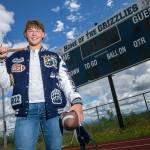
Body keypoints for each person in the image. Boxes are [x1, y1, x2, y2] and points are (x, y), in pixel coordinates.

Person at [0, 20, 84, 150]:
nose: (34, 34)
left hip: (52, 111)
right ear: (25, 34)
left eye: (37, 30)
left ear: (43, 34)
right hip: (25, 113)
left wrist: (76, 101)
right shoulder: (14, 58)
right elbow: (5, 83)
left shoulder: (54, 56)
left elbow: (65, 80)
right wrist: (1, 61)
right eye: (30, 30)